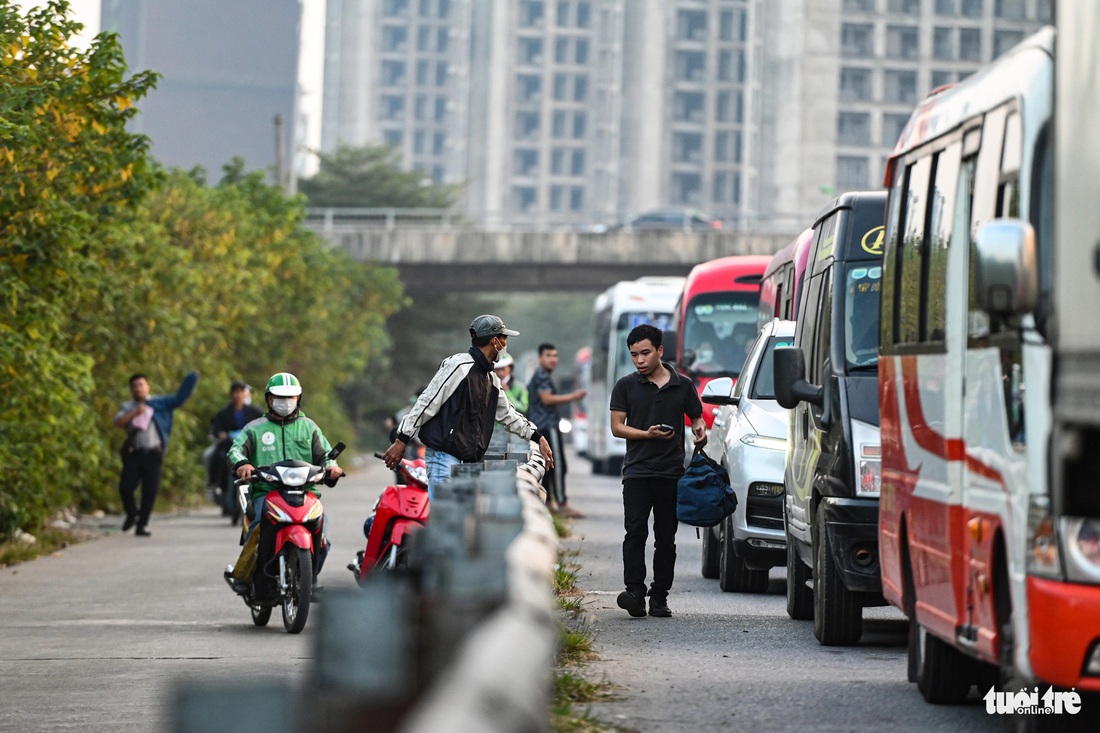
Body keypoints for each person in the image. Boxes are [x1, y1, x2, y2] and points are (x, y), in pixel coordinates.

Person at [382, 315, 554, 498]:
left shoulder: (490, 378)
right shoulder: (459, 366)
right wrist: (402, 439)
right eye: (504, 338)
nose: (506, 344)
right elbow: (426, 402)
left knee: (457, 520)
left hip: (467, 461)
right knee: (447, 519)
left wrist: (537, 437)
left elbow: (508, 415)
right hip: (443, 456)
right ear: (495, 342)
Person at [609, 324, 706, 618]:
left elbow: (697, 420)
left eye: (645, 353)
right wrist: (647, 434)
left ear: (660, 351)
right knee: (635, 533)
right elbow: (617, 428)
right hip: (637, 472)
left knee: (666, 537)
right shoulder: (625, 385)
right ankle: (635, 592)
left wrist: (699, 434)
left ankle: (660, 596)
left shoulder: (684, 385)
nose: (639, 360)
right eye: (634, 355)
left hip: (671, 473)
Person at [225, 372, 344, 593]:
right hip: (266, 491)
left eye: (291, 397)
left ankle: (310, 578)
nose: (285, 402)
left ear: (298, 398)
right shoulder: (255, 428)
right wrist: (242, 463)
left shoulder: (309, 427)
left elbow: (326, 454)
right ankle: (245, 575)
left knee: (323, 536)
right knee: (258, 528)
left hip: (306, 492)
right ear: (269, 399)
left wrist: (331, 467)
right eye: (280, 397)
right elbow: (235, 450)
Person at [113, 370, 200, 537]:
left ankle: (142, 525)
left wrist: (191, 379)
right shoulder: (128, 407)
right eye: (135, 386)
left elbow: (180, 398)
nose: (138, 389)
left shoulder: (161, 403)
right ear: (131, 390)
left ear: (147, 387)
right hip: (134, 453)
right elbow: (118, 422)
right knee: (125, 487)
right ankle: (132, 514)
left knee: (150, 491)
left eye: (141, 385)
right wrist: (135, 412)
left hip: (154, 453)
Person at [527, 342, 586, 518]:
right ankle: (561, 503)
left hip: (543, 425)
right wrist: (573, 397)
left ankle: (550, 503)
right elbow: (546, 399)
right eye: (548, 356)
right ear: (540, 358)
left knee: (549, 467)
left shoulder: (542, 375)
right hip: (547, 426)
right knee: (558, 465)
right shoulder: (542, 375)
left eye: (555, 356)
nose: (553, 359)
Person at [207, 381, 263, 500]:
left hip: (250, 446)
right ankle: (217, 485)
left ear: (245, 394)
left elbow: (265, 424)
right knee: (218, 457)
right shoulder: (223, 413)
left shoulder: (255, 411)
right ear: (231, 394)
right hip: (229, 446)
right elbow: (216, 429)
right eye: (236, 392)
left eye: (241, 392)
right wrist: (223, 434)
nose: (239, 395)